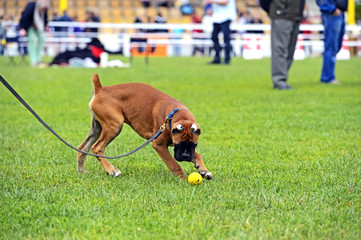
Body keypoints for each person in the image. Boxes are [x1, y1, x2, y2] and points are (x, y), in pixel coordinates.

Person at [265, 0, 305, 90]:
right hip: (281, 14)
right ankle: (279, 80)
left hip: (296, 15)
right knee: (280, 49)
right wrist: (274, 9)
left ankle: (282, 78)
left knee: (290, 51)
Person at [316, 0, 348, 84]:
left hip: (340, 14)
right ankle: (327, 78)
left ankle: (328, 76)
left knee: (335, 47)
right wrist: (332, 9)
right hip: (331, 14)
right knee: (330, 47)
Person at [204, 0, 237, 65]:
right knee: (214, 37)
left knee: (226, 39)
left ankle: (227, 59)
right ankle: (217, 58)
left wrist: (212, 1)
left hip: (226, 18)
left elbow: (225, 2)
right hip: (216, 18)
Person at [19, 0, 49, 67]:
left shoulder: (45, 7)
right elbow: (24, 16)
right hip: (29, 26)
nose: (43, 10)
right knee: (32, 41)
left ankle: (38, 59)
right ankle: (33, 61)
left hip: (39, 26)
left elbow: (45, 17)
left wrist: (46, 25)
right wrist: (22, 28)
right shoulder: (31, 6)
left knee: (41, 39)